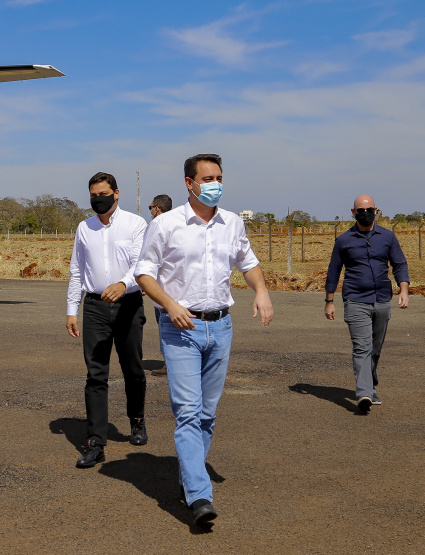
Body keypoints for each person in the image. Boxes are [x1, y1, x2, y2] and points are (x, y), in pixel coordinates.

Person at [135, 154, 273, 525]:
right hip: (181, 328)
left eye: (219, 177)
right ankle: (198, 496)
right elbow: (144, 274)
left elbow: (249, 262)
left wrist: (261, 291)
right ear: (189, 183)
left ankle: (188, 477)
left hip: (221, 327)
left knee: (208, 414)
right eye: (208, 177)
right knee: (189, 412)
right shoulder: (165, 225)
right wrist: (169, 304)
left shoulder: (231, 224)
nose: (215, 183)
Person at [67, 172, 149, 468]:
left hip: (128, 304)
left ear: (116, 193)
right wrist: (70, 310)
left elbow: (142, 264)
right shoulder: (84, 228)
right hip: (95, 307)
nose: (97, 200)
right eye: (93, 196)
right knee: (96, 374)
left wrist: (124, 284)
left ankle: (136, 420)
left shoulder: (136, 224)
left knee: (133, 369)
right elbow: (77, 270)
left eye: (103, 194)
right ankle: (95, 442)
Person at [324, 194, 409, 412]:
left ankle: (369, 383)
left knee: (375, 348)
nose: (365, 213)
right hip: (355, 300)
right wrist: (329, 301)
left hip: (382, 300)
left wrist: (404, 289)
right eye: (360, 210)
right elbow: (333, 271)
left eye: (369, 209)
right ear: (353, 213)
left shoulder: (388, 238)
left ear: (376, 210)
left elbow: (399, 264)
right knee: (362, 347)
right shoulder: (344, 240)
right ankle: (364, 394)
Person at [148, 194, 173, 377]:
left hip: (161, 288)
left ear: (157, 208)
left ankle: (169, 363)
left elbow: (150, 259)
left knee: (165, 326)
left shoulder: (156, 226)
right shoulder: (179, 224)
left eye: (151, 207)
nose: (150, 211)